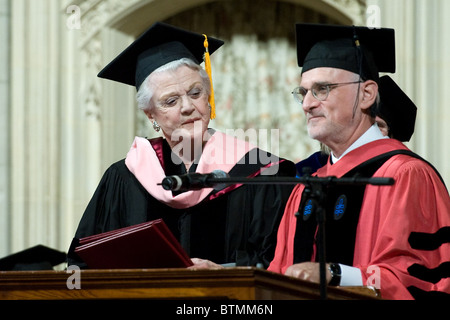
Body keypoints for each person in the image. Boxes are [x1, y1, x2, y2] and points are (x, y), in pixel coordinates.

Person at [67, 22, 297, 269]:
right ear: (150, 115)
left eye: (195, 93)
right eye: (171, 100)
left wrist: (224, 273)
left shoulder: (258, 171)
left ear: (208, 98)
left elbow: (279, 262)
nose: (187, 106)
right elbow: (84, 263)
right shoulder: (123, 178)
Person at [268, 23, 450, 300]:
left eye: (322, 89)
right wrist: (228, 275)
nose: (307, 104)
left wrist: (335, 274)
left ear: (366, 94)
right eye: (303, 92)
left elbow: (419, 279)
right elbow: (280, 277)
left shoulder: (405, 175)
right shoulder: (306, 188)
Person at [295, 74, 418, 176]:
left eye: (378, 126)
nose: (367, 130)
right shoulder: (305, 173)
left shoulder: (401, 173)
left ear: (392, 138)